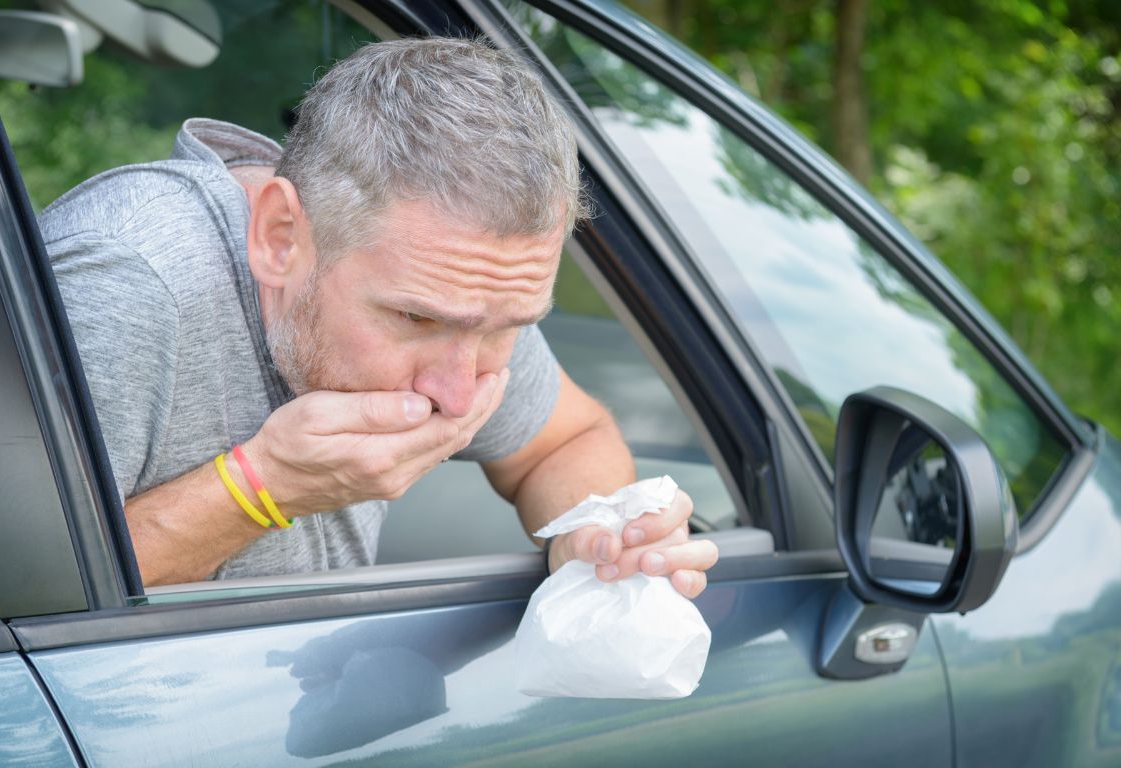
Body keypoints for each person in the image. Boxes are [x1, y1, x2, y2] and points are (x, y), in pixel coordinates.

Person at [40, 37, 719, 592]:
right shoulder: (128, 281)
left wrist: (593, 535)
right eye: (417, 321)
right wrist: (261, 488)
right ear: (281, 236)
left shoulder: (462, 286)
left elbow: (565, 441)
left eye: (507, 326)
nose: (456, 396)